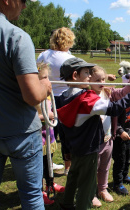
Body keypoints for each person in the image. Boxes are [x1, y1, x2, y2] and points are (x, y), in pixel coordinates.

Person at [56, 57, 130, 210]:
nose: (90, 76)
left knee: (74, 176)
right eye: (87, 73)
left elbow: (63, 127)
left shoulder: (63, 96)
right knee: (87, 185)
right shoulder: (86, 98)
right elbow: (115, 108)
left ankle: (68, 203)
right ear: (75, 75)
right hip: (88, 149)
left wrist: (66, 149)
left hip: (75, 146)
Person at [0, 1, 52, 209]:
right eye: (23, 1)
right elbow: (32, 96)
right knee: (31, 196)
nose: (25, 7)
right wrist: (44, 85)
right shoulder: (16, 36)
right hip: (21, 133)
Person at [89, 66, 130, 207]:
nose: (101, 82)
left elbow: (122, 93)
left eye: (103, 79)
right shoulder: (88, 95)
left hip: (107, 137)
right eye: (97, 80)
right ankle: (91, 193)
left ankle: (102, 189)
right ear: (89, 80)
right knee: (93, 168)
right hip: (93, 141)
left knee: (105, 166)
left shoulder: (108, 92)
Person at [37, 27, 76, 176]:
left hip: (48, 98)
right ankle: (67, 167)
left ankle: (49, 164)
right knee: (66, 134)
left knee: (50, 134)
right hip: (65, 98)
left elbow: (36, 70)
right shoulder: (68, 57)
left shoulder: (44, 55)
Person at [35, 62, 65, 205]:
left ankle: (50, 184)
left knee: (49, 163)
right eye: (45, 77)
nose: (49, 81)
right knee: (38, 166)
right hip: (38, 140)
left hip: (49, 137)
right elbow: (29, 117)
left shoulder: (48, 96)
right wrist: (45, 117)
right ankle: (39, 191)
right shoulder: (33, 99)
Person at [112, 74, 130, 195]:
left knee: (127, 157)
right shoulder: (119, 101)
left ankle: (125, 176)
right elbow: (114, 120)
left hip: (128, 135)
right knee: (120, 159)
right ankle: (117, 183)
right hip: (119, 137)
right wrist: (120, 131)